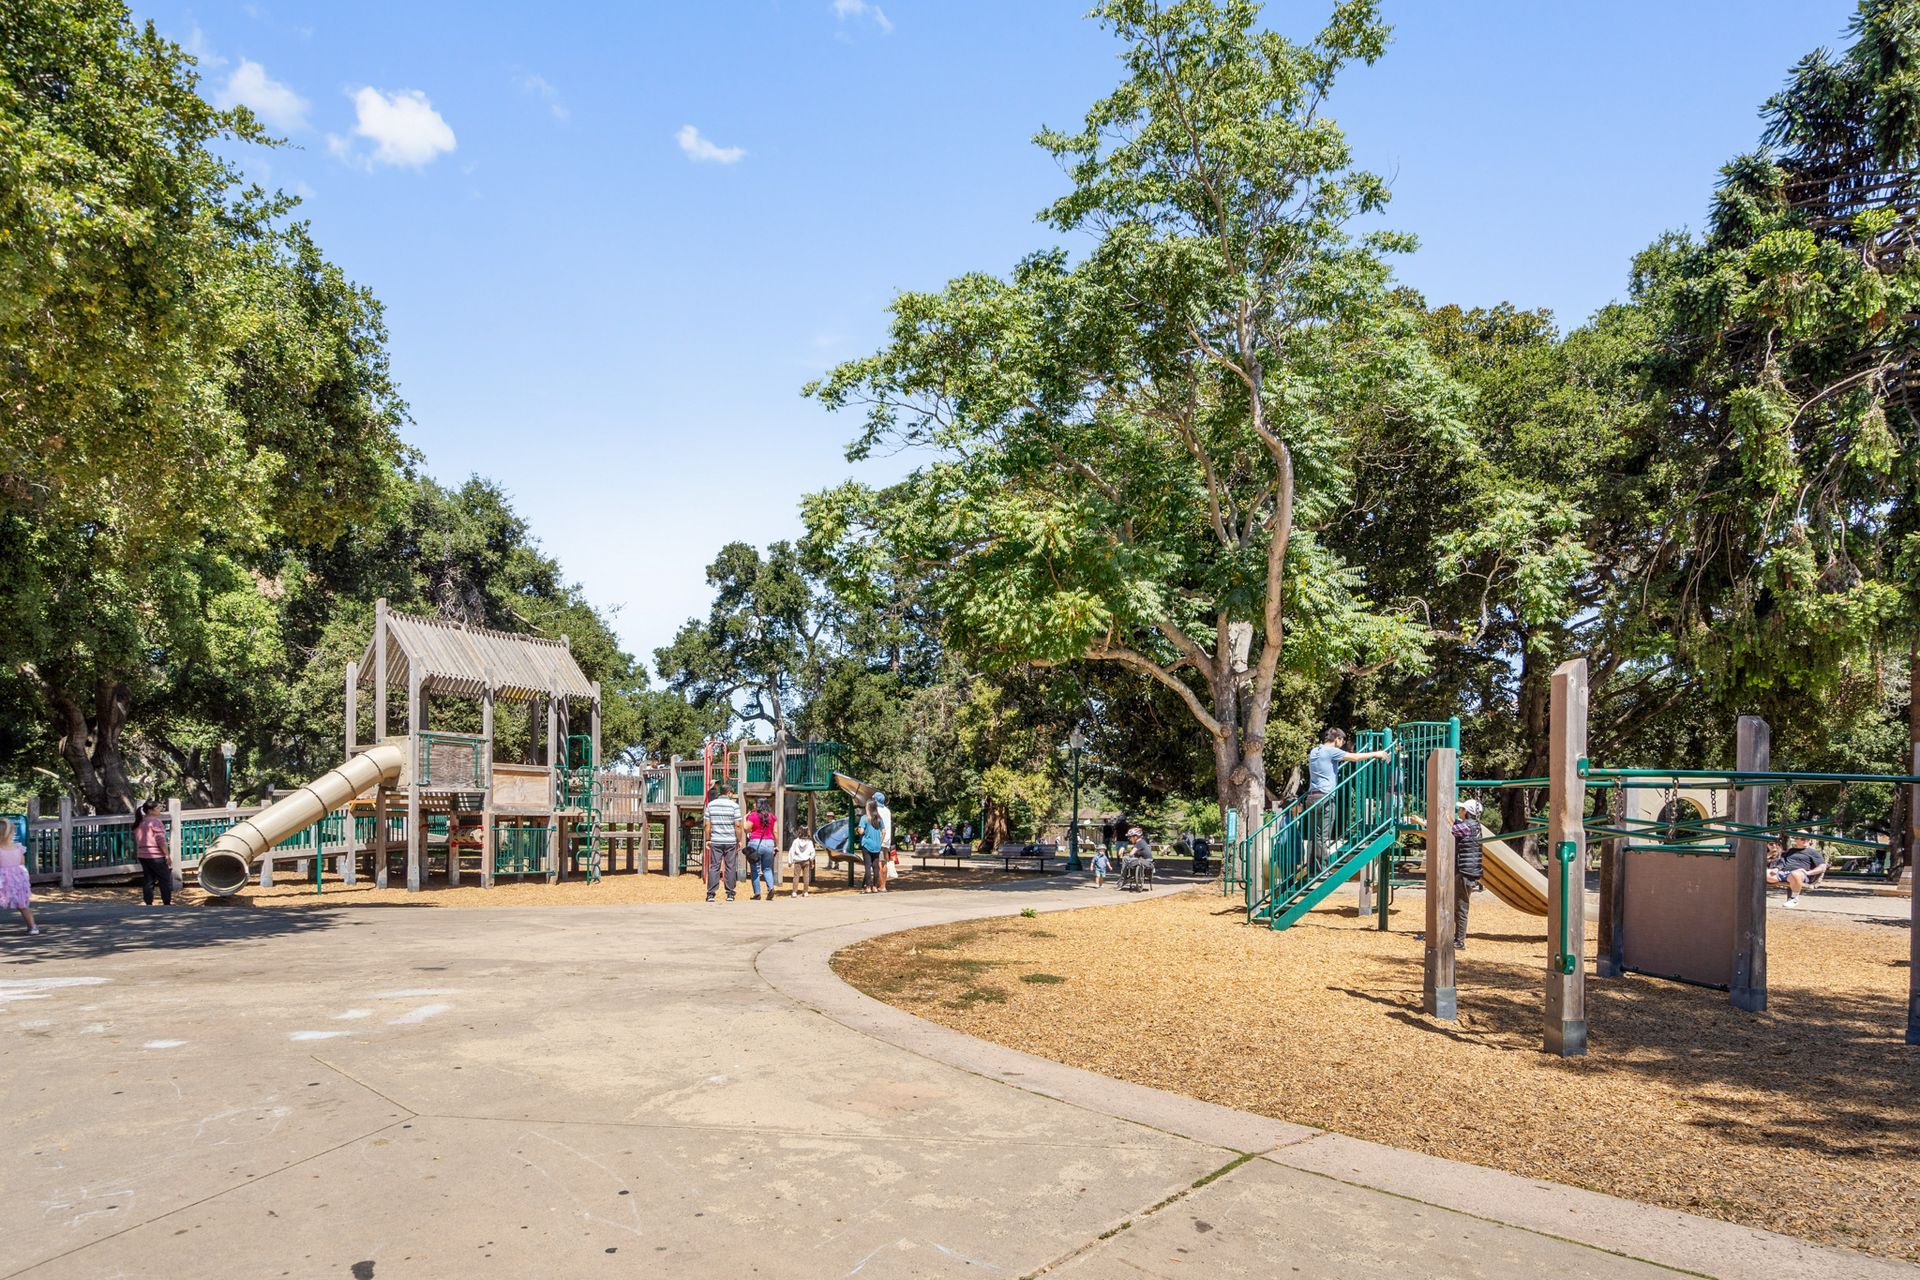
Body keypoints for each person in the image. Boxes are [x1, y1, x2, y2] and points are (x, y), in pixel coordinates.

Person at [1304, 728, 1391, 870]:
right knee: (1323, 837)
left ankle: (1313, 868)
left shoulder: (1314, 751)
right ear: (1337, 738)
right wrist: (1377, 753)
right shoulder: (1332, 751)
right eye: (1342, 740)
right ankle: (1322, 869)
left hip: (1311, 797)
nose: (1342, 743)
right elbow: (1354, 758)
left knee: (1315, 835)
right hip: (1325, 798)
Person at [1450, 799, 1484, 950]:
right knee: (1459, 905)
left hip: (1465, 871)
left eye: (1462, 809)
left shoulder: (1467, 827)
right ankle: (1457, 937)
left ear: (1467, 812)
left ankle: (1460, 941)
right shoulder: (1474, 825)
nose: (1459, 811)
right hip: (1469, 870)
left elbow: (1450, 829)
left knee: (1461, 907)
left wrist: (1442, 816)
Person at [1768, 833, 1830, 906]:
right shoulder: (1790, 851)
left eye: (1808, 839)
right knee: (1764, 873)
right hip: (1784, 873)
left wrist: (1809, 873)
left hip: (1800, 875)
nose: (1806, 840)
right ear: (1796, 840)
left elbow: (1822, 866)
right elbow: (1782, 861)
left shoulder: (1813, 852)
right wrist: (1776, 868)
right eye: (1803, 839)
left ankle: (1794, 899)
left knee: (1795, 874)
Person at [703, 785, 741, 902]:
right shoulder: (734, 806)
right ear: (729, 793)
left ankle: (711, 893)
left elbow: (707, 825)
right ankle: (730, 893)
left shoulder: (711, 805)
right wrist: (738, 840)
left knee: (714, 866)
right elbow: (738, 825)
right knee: (730, 866)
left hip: (716, 840)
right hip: (730, 840)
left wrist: (708, 839)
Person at [0, 814, 37, 935]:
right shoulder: (18, 848)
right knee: (22, 905)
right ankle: (32, 927)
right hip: (17, 881)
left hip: (2, 881)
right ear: (10, 834)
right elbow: (22, 863)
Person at [133, 799, 173, 907]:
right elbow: (160, 840)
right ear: (150, 810)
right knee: (164, 879)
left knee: (148, 879)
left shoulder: (140, 821)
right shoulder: (155, 822)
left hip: (143, 854)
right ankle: (166, 902)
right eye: (157, 808)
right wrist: (167, 854)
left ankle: (148, 902)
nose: (160, 810)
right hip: (156, 855)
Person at [742, 800, 777, 901]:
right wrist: (776, 845)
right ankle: (770, 887)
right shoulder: (772, 817)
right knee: (767, 868)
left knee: (755, 869)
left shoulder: (753, 815)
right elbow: (775, 831)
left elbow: (746, 829)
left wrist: (744, 818)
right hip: (769, 843)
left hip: (755, 843)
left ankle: (757, 893)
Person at [858, 799, 886, 893]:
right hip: (877, 846)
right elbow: (884, 831)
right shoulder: (879, 818)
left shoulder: (864, 818)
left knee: (867, 866)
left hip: (867, 844)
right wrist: (880, 842)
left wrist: (858, 830)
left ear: (868, 807)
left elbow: (861, 831)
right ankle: (875, 886)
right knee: (875, 867)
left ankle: (868, 887)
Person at [871, 791, 894, 891]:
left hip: (879, 839)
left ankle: (881, 885)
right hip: (887, 840)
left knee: (879, 862)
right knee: (884, 862)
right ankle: (883, 884)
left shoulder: (876, 810)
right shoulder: (887, 810)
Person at [1121, 826, 1154, 891]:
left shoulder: (1139, 843)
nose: (1129, 838)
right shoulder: (1142, 842)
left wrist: (1124, 852)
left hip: (1145, 862)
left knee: (1125, 858)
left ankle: (1123, 878)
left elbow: (1131, 854)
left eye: (1130, 837)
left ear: (1135, 837)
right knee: (1130, 859)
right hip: (1148, 862)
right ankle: (1126, 878)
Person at [786, 828, 816, 897]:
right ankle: (805, 892)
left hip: (797, 861)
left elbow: (791, 851)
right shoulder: (809, 842)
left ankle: (794, 892)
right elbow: (812, 852)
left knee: (796, 876)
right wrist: (811, 860)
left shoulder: (796, 841)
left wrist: (790, 862)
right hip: (806, 861)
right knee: (806, 877)